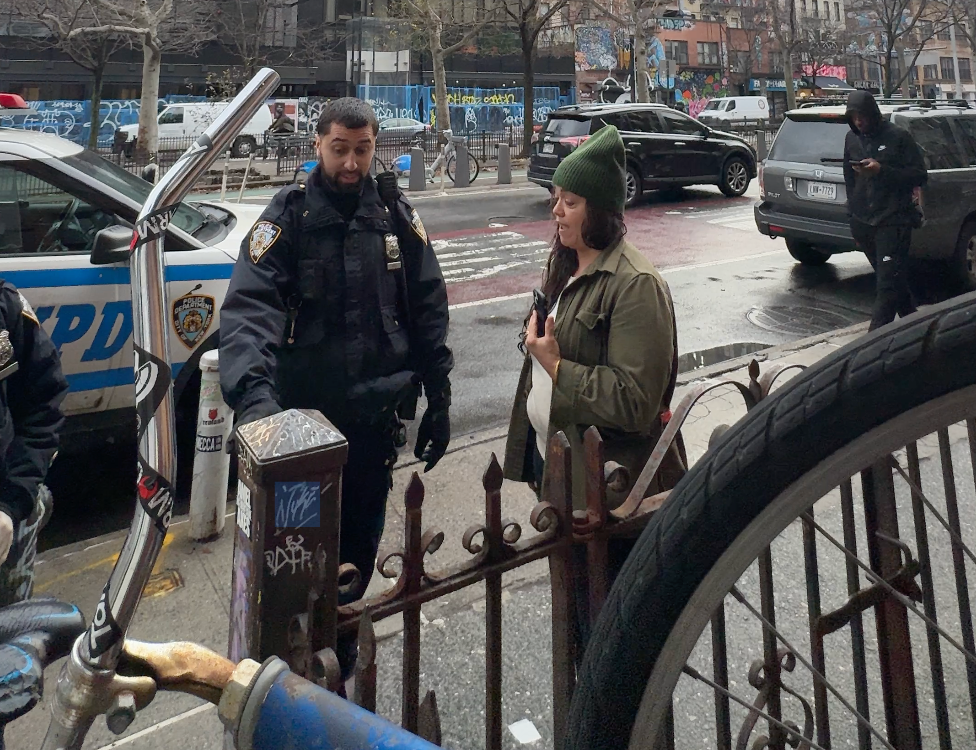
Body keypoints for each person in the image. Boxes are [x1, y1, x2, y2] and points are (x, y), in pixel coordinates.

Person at [219, 98, 453, 673]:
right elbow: (251, 309)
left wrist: (440, 393)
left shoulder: (395, 213)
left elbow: (427, 303)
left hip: (373, 426)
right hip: (304, 434)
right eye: (340, 149)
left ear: (376, 147)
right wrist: (253, 397)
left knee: (356, 554)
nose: (352, 163)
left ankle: (339, 659)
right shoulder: (288, 218)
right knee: (297, 563)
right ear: (318, 145)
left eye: (363, 149)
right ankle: (295, 665)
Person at [502, 125, 685, 648]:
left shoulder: (636, 284)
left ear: (602, 210)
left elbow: (635, 401)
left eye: (572, 201)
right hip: (560, 471)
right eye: (556, 199)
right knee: (575, 621)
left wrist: (557, 366)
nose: (557, 211)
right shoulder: (568, 264)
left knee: (607, 634)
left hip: (608, 490)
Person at [0, 280, 67, 607]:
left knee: (12, 645)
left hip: (4, 518)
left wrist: (13, 502)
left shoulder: (6, 305)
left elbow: (43, 403)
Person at [843, 90, 928, 331]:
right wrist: (852, 215)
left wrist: (882, 170)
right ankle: (918, 329)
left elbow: (919, 175)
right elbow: (849, 178)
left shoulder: (898, 137)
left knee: (887, 288)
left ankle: (871, 350)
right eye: (854, 117)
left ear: (873, 113)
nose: (859, 121)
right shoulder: (851, 139)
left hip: (893, 221)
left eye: (862, 116)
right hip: (864, 222)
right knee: (894, 282)